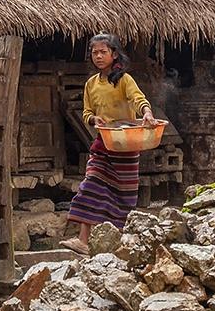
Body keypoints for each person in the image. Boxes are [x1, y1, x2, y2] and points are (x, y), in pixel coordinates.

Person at [61, 34, 156, 254]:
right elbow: (87, 113)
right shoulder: (91, 84)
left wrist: (147, 113)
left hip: (126, 144)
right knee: (90, 185)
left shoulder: (124, 80)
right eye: (95, 52)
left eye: (103, 52)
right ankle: (83, 241)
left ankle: (118, 245)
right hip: (103, 143)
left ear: (114, 54)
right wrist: (94, 120)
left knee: (122, 195)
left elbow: (138, 99)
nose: (99, 56)